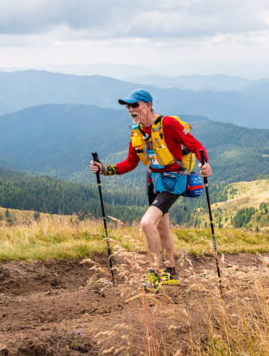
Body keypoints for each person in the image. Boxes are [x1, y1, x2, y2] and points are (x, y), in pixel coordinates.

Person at [90, 89, 212, 292]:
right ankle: (171, 273)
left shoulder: (169, 125)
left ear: (148, 105)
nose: (131, 109)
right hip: (154, 181)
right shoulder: (137, 131)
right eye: (128, 106)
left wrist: (205, 164)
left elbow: (196, 145)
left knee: (147, 224)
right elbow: (130, 163)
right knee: (161, 226)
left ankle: (154, 274)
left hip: (174, 181)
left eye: (135, 105)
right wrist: (105, 169)